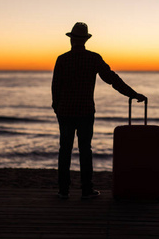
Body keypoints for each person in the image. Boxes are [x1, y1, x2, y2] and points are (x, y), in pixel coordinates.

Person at [51, 22, 147, 199]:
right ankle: (86, 190)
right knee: (85, 149)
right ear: (86, 39)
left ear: (71, 40)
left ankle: (63, 191)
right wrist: (132, 94)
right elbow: (112, 79)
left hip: (65, 111)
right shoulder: (93, 58)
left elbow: (56, 87)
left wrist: (57, 107)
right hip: (85, 110)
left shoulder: (62, 59)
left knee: (64, 149)